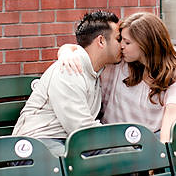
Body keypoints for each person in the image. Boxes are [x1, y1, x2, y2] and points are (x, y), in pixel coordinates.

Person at [58, 11, 176, 143]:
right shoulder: (118, 63)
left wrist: (164, 149)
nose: (121, 46)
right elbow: (88, 50)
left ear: (145, 45)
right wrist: (65, 51)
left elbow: (172, 114)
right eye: (120, 39)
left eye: (127, 43)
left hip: (153, 137)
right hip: (116, 137)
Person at [12, 11, 122, 156]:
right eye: (118, 39)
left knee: (124, 153)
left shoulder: (94, 71)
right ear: (101, 41)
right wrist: (122, 137)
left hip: (69, 140)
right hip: (38, 142)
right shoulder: (69, 69)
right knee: (71, 165)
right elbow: (81, 128)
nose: (122, 46)